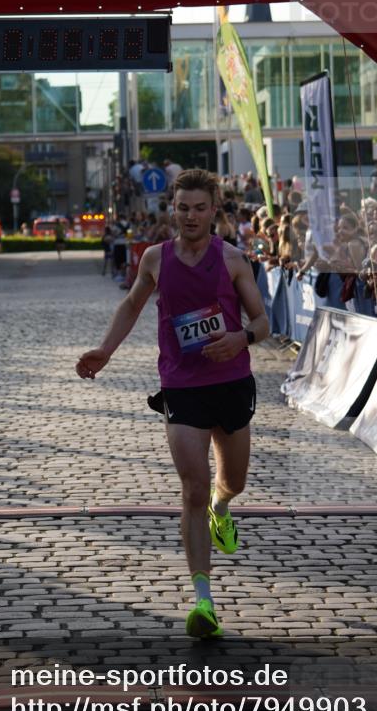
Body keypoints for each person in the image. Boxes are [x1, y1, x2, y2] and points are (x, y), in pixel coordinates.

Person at [76, 169, 270, 639]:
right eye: (182, 207)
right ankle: (203, 602)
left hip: (230, 381)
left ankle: (222, 510)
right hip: (181, 386)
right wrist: (106, 350)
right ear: (172, 210)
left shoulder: (234, 260)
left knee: (233, 482)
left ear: (214, 210)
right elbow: (131, 307)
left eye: (199, 207)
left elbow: (264, 322)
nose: (190, 216)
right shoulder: (155, 259)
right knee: (192, 488)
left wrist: (239, 337)